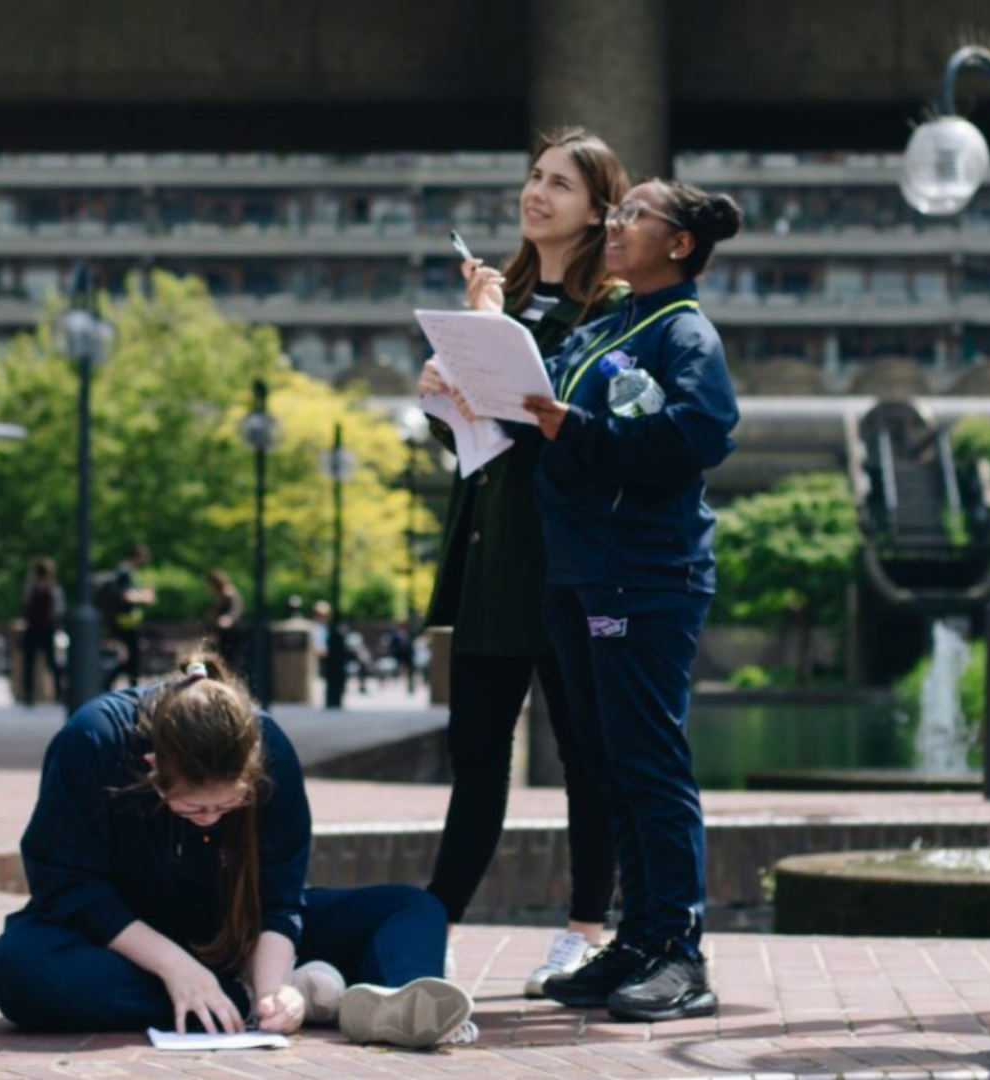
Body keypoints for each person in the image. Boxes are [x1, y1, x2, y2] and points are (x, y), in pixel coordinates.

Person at [475, 177, 744, 1022]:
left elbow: (702, 434)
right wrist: (471, 391)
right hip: (578, 572)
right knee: (607, 764)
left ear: (680, 245)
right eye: (618, 212)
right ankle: (637, 939)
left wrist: (578, 429)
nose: (617, 225)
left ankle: (680, 953)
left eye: (635, 216)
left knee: (649, 763)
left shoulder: (684, 330)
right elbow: (538, 417)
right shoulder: (606, 325)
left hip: (646, 574)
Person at [0, 653, 479, 1047]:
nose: (212, 820)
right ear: (153, 767)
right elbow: (66, 883)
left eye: (229, 805)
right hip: (122, 941)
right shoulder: (92, 741)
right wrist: (178, 969)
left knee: (412, 906)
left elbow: (282, 896)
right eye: (194, 810)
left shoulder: (273, 751)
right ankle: (268, 993)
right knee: (17, 970)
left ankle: (406, 1000)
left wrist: (272, 994)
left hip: (239, 932)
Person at [411, 127, 630, 998]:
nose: (536, 194)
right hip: (494, 562)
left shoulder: (610, 304)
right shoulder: (502, 292)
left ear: (597, 208)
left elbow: (566, 434)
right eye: (534, 178)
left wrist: (489, 336)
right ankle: (435, 927)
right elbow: (481, 441)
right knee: (476, 757)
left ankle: (584, 932)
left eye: (560, 185)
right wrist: (440, 393)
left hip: (572, 565)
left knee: (588, 759)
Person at [100, 542, 155, 688]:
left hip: (124, 621)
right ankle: (126, 685)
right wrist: (145, 597)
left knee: (131, 656)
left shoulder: (124, 570)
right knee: (133, 657)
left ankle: (118, 683)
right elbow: (125, 595)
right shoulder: (124, 572)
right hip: (125, 621)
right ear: (138, 556)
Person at [17, 558, 62, 707]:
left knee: (43, 662)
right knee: (38, 662)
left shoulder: (44, 588)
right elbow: (58, 609)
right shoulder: (47, 588)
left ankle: (35, 693)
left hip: (41, 628)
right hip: (40, 628)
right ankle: (52, 693)